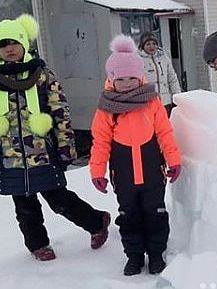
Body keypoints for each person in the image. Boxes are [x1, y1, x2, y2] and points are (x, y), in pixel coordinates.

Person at [0, 14, 110, 262]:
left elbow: (60, 113)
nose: (9, 48)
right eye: (3, 45)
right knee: (25, 209)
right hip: (10, 157)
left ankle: (96, 222)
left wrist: (66, 146)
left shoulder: (41, 74)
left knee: (59, 200)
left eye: (14, 42)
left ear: (24, 43)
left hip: (43, 153)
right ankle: (38, 245)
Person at [89, 35, 182, 276]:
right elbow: (100, 142)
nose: (127, 82)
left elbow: (165, 133)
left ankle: (156, 254)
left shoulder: (151, 102)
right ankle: (134, 256)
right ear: (111, 79)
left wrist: (173, 159)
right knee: (128, 216)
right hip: (124, 175)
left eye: (132, 77)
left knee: (155, 214)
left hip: (153, 173)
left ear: (140, 76)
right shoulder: (106, 107)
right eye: (121, 79)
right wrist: (97, 171)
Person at [138, 32, 182, 117]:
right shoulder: (138, 60)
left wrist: (177, 97)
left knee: (166, 128)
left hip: (165, 103)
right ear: (143, 46)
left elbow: (172, 79)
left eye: (154, 43)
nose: (152, 46)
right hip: (149, 104)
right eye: (148, 44)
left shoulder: (163, 58)